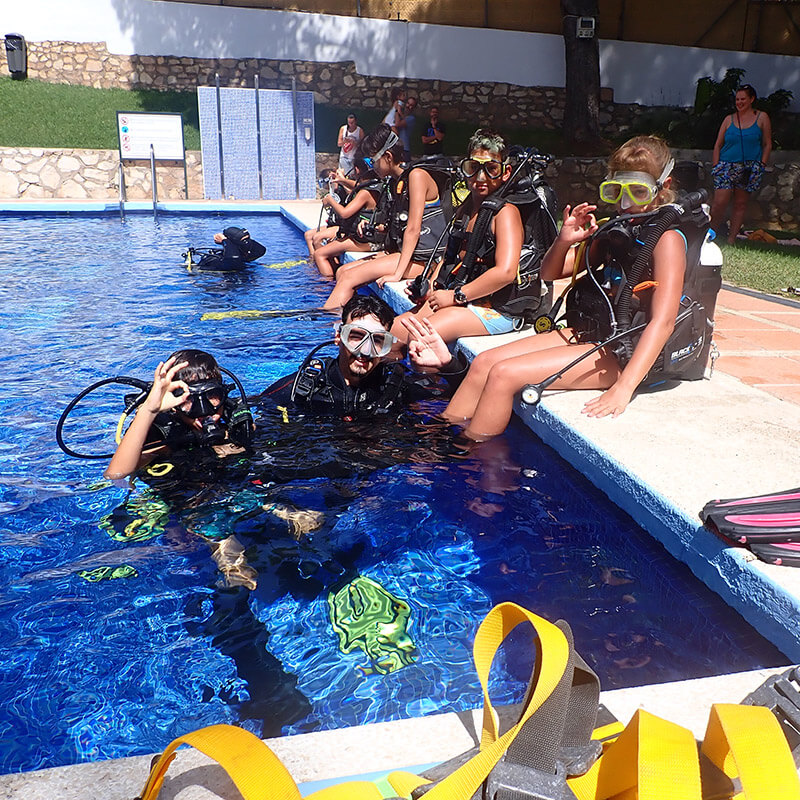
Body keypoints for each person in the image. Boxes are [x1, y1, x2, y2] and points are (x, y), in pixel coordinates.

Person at [406, 135, 692, 440]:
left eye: (637, 192)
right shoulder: (616, 230)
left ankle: (466, 457)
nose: (626, 204)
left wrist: (624, 389)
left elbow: (663, 321)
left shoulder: (667, 239)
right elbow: (550, 272)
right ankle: (438, 443)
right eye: (616, 192)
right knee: (485, 363)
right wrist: (564, 240)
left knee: (505, 375)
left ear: (664, 186)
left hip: (627, 352)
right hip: (592, 333)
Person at [392, 129, 545, 345]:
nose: (481, 178)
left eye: (491, 169)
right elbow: (449, 257)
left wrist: (456, 296)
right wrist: (430, 288)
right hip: (463, 295)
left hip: (495, 308)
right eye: (474, 168)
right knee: (395, 330)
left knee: (420, 336)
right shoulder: (466, 208)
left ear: (506, 172)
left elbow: (506, 272)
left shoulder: (505, 213)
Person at [322, 125, 448, 310]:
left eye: (372, 160)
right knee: (342, 271)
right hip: (405, 254)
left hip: (425, 261)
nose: (370, 166)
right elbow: (396, 226)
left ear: (388, 157)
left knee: (349, 277)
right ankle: (351, 321)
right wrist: (372, 226)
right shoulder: (395, 181)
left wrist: (398, 274)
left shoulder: (417, 176)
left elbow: (413, 229)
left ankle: (325, 326)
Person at [264, 295, 437, 418]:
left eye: (377, 340)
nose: (365, 350)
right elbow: (252, 408)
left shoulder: (395, 385)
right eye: (356, 336)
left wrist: (448, 365)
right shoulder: (305, 388)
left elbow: (449, 398)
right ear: (339, 337)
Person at [105, 349, 253, 480]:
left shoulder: (236, 422)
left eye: (212, 395)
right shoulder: (165, 435)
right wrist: (149, 410)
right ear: (174, 405)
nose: (203, 409)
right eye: (189, 398)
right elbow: (116, 474)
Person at [710, 84, 772, 244]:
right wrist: (716, 166)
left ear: (751, 99)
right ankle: (710, 234)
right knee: (719, 203)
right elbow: (717, 144)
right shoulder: (728, 119)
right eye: (737, 99)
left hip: (749, 168)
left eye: (743, 99)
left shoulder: (762, 117)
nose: (739, 102)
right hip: (726, 165)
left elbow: (767, 143)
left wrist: (761, 165)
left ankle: (731, 239)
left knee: (740, 204)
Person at [312, 160, 384, 278]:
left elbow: (344, 213)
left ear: (357, 170)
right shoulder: (376, 186)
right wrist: (342, 180)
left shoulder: (365, 192)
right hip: (372, 238)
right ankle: (331, 271)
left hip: (366, 242)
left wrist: (330, 200)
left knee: (319, 254)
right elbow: (355, 186)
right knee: (328, 245)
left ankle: (326, 285)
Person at [185, 227, 266, 271]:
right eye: (243, 241)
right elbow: (233, 259)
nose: (247, 243)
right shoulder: (216, 259)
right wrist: (226, 241)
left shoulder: (241, 254)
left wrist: (226, 240)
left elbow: (261, 250)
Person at [396, 96, 418, 161]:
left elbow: (397, 124)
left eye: (411, 105)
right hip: (398, 148)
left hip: (404, 149)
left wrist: (397, 110)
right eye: (408, 103)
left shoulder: (411, 119)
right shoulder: (403, 117)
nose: (408, 106)